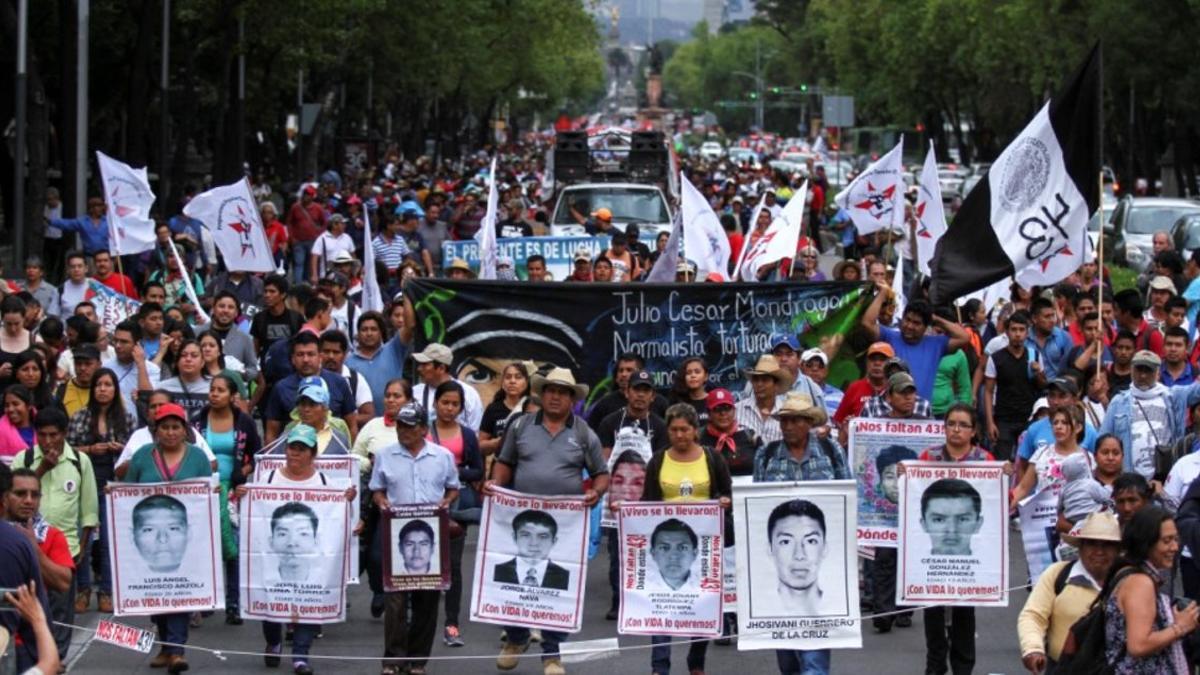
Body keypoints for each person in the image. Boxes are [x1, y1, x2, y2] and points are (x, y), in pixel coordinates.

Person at [484, 367, 608, 675]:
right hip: (521, 519)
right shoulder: (521, 426)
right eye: (551, 390)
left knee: (557, 586)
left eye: (562, 392)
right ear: (543, 393)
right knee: (512, 579)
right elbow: (504, 463)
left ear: (571, 399)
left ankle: (552, 654)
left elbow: (601, 474)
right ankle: (515, 637)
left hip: (565, 525)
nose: (555, 396)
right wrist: (496, 486)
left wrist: (596, 491)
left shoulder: (582, 432)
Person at [635, 403, 732, 675]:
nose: (679, 435)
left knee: (701, 604)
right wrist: (627, 513)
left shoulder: (712, 458)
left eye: (685, 429)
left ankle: (696, 661)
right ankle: (659, 667)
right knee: (661, 605)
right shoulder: (658, 460)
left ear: (695, 430)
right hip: (667, 543)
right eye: (674, 430)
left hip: (704, 544)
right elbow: (648, 502)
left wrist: (725, 501)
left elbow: (728, 493)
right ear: (668, 431)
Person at [369, 403, 459, 675]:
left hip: (431, 535)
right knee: (394, 599)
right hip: (398, 535)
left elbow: (453, 488)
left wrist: (445, 503)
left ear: (422, 428)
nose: (403, 431)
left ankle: (418, 660)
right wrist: (382, 503)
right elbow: (377, 490)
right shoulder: (385, 455)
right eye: (399, 425)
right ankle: (393, 660)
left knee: (427, 600)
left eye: (409, 426)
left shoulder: (442, 457)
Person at [122, 402, 213, 673]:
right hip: (151, 539)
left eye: (176, 427)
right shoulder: (141, 457)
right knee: (157, 592)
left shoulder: (197, 457)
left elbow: (204, 494)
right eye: (165, 427)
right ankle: (165, 647)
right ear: (155, 431)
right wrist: (114, 495)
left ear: (185, 430)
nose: (171, 433)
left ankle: (177, 650)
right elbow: (127, 492)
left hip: (183, 539)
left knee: (180, 591)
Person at [67, 367, 135, 615]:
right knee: (83, 538)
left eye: (108, 385)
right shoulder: (80, 416)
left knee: (108, 541)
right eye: (99, 385)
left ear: (115, 389)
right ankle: (83, 589)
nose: (103, 389)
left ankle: (106, 591)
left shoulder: (126, 418)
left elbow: (134, 453)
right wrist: (90, 449)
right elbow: (70, 450)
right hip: (84, 480)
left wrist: (120, 449)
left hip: (113, 483)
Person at [1017, 510, 1121, 672]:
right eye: (1092, 543)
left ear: (1117, 550)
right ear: (1081, 547)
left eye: (1107, 544)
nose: (1099, 551)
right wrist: (1033, 649)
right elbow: (1033, 615)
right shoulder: (1057, 574)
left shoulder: (1128, 581)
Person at [194, 373, 260, 622]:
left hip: (232, 490)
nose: (214, 394)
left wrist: (241, 474)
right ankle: (206, 598)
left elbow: (256, 454)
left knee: (232, 545)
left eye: (220, 390)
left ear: (233, 396)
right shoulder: (198, 422)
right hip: (204, 490)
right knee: (205, 546)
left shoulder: (244, 422)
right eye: (212, 389)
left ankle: (233, 603)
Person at [1103, 507, 1198, 672]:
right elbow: (1138, 645)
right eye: (1167, 541)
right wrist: (1180, 626)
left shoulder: (1129, 573)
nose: (1175, 547)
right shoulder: (1140, 583)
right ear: (1146, 543)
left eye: (1176, 539)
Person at [427, 381, 483, 648]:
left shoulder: (468, 435)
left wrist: (449, 470)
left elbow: (478, 471)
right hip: (424, 504)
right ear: (435, 403)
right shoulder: (422, 430)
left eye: (455, 404)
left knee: (454, 567)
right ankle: (419, 621)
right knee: (424, 564)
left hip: (456, 506)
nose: (449, 409)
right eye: (445, 402)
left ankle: (452, 624)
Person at [860, 287, 970, 400]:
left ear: (926, 326)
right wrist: (883, 292)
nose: (909, 326)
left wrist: (935, 319)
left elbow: (964, 337)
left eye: (916, 323)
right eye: (907, 320)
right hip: (891, 411)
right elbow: (867, 323)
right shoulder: (889, 336)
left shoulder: (936, 344)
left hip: (922, 412)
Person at [982, 311, 1042, 460]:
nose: (1017, 334)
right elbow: (988, 391)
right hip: (1004, 419)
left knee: (1028, 461)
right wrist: (990, 422)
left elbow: (1043, 384)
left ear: (1027, 333)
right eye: (1014, 330)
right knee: (1002, 462)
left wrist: (1038, 372)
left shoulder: (1034, 355)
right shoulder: (996, 358)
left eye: (1021, 330)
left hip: (1028, 418)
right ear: (1007, 332)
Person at [409, 343, 483, 431]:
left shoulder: (469, 394)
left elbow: (475, 431)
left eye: (425, 365)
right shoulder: (413, 392)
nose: (419, 368)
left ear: (441, 368)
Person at [493, 509, 571, 589]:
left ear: (554, 541)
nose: (534, 543)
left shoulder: (566, 577)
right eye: (526, 535)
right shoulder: (495, 571)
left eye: (543, 536)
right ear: (514, 538)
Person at [735, 354, 795, 445]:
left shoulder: (787, 412)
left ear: (776, 385)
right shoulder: (737, 410)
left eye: (765, 380)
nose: (759, 384)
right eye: (756, 380)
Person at [699, 388, 758, 477]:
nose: (723, 413)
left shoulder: (750, 435)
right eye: (717, 409)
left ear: (734, 411)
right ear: (709, 414)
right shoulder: (700, 439)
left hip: (750, 489)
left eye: (727, 408)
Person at [479, 362, 531, 457]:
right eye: (508, 377)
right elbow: (480, 445)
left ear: (526, 382)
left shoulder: (532, 408)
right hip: (500, 464)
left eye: (518, 377)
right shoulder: (493, 409)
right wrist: (496, 443)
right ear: (502, 383)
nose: (512, 381)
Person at [919, 479, 983, 556]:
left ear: (978, 524)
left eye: (962, 519)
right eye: (939, 520)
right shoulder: (912, 566)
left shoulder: (992, 566)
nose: (952, 530)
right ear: (924, 524)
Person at [646, 519, 700, 590]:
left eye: (683, 548)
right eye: (664, 548)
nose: (673, 556)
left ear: (694, 554)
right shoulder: (642, 586)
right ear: (653, 554)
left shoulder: (707, 586)